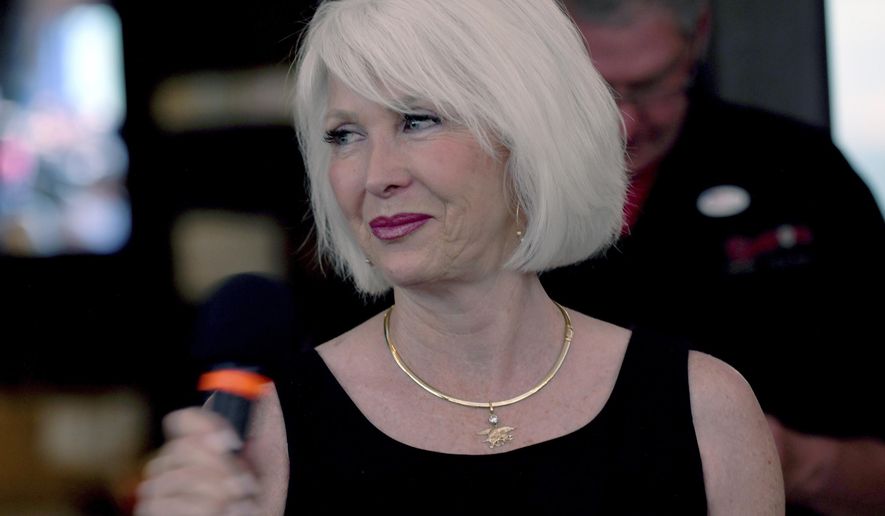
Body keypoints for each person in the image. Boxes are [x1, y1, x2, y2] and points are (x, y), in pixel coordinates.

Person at [134, 1, 784, 514]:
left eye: (417, 120)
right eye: (344, 135)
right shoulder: (267, 439)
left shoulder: (705, 407)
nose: (374, 175)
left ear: (527, 137)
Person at [542, 1, 885, 514]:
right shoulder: (483, 190)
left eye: (651, 86)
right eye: (592, 92)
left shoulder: (803, 176)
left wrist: (796, 463)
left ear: (698, 36)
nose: (625, 125)